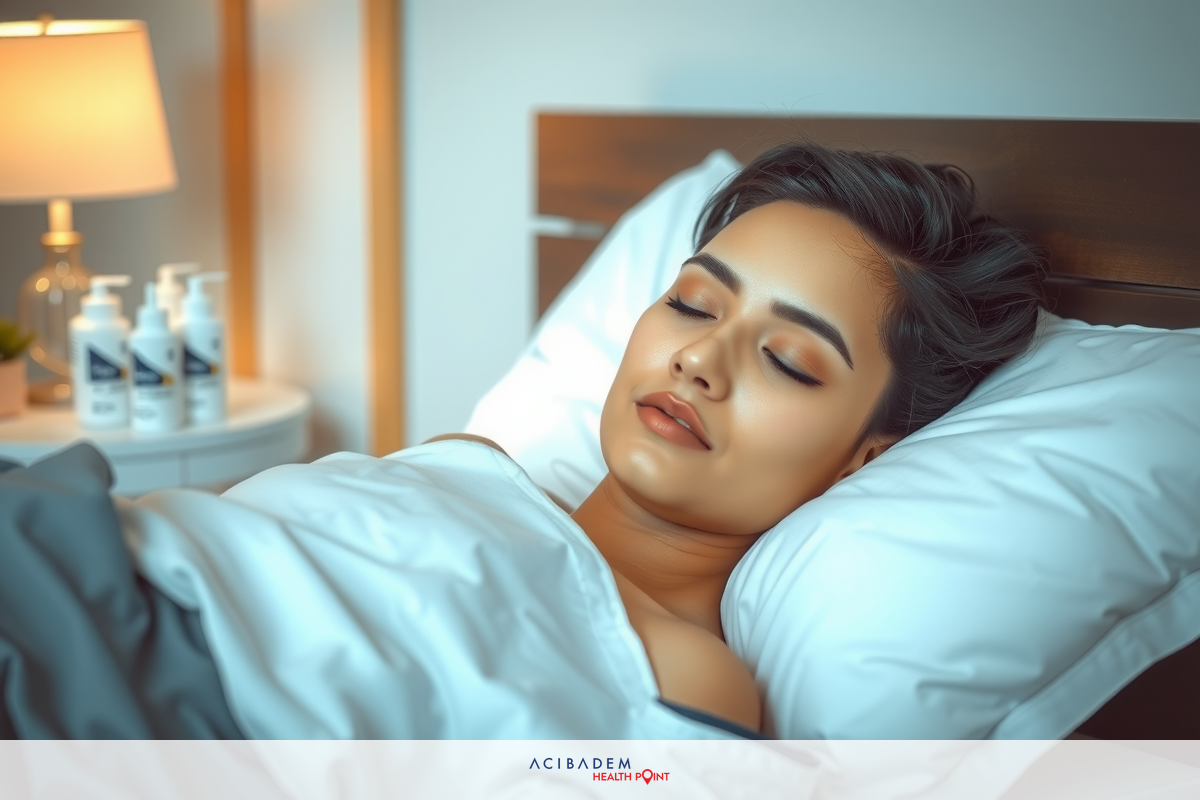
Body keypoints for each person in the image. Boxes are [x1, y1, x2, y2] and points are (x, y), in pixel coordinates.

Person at [448, 143, 1045, 733]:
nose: (698, 358)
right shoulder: (466, 470)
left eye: (785, 361)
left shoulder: (679, 683)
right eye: (693, 304)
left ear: (864, 460)